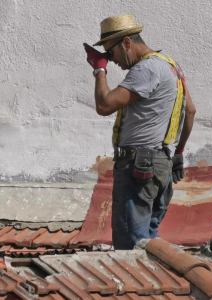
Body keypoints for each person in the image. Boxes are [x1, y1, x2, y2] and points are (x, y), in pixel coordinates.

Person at [84, 15, 196, 250]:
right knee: (149, 243)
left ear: (126, 43)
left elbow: (104, 105)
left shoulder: (146, 69)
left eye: (110, 53)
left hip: (138, 165)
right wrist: (179, 152)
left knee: (130, 247)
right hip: (160, 163)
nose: (111, 61)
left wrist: (99, 70)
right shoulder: (170, 65)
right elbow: (190, 111)